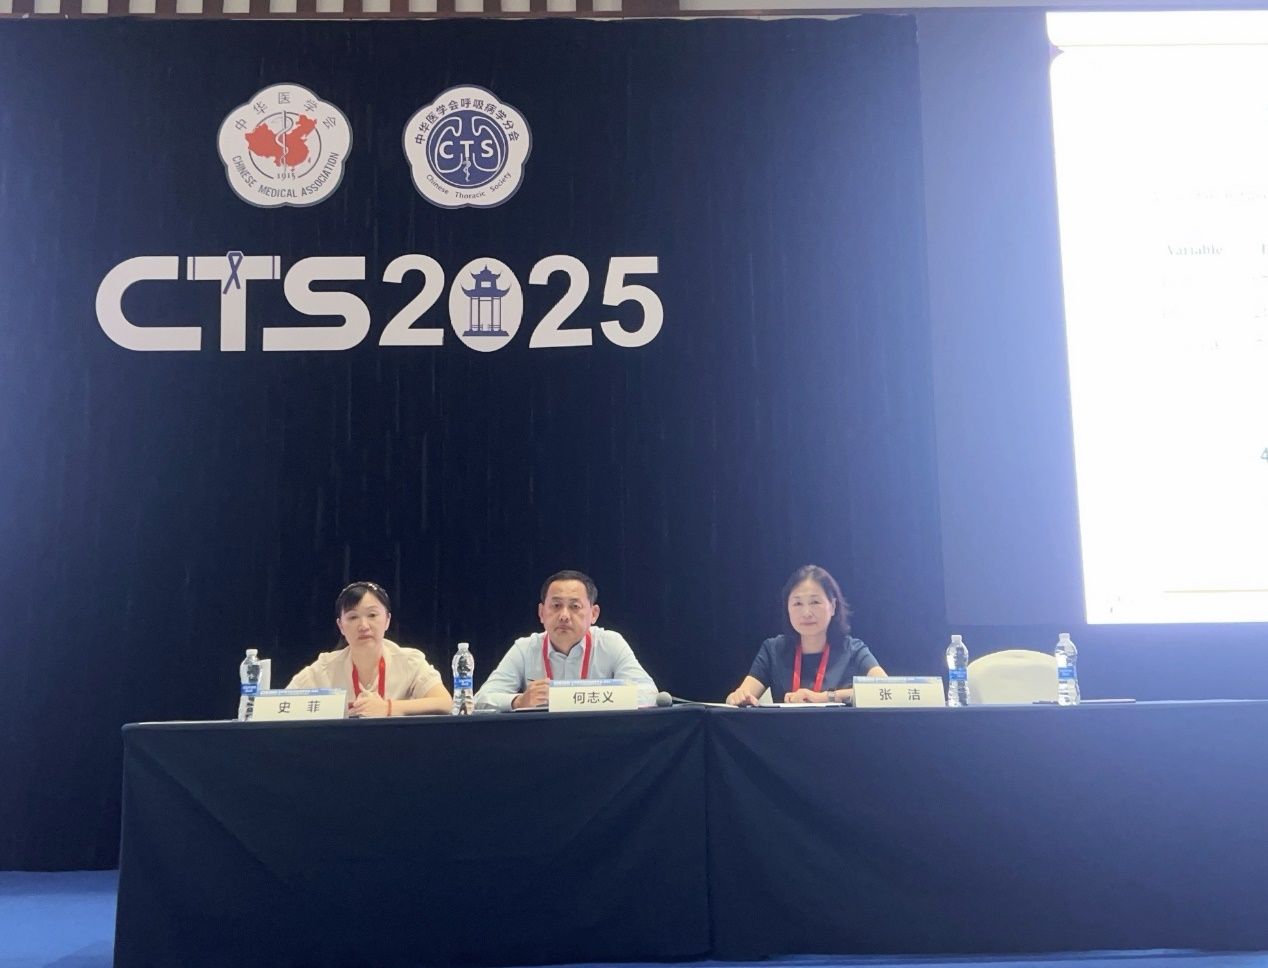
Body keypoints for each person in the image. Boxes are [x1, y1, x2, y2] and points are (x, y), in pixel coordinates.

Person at [475, 570, 656, 710]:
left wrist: (592, 696)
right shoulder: (525, 648)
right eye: (556, 605)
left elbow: (648, 693)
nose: (564, 616)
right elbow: (481, 699)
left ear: (594, 614)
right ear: (541, 613)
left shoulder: (610, 644)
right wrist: (518, 701)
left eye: (575, 606)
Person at [726, 564, 887, 706]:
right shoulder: (773, 650)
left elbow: (886, 691)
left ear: (833, 606)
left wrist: (825, 697)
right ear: (787, 608)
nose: (806, 613)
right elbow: (744, 693)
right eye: (797, 603)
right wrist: (737, 697)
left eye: (815, 602)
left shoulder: (853, 650)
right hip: (784, 731)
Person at [288, 581, 451, 717]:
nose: (363, 626)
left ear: (387, 620)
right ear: (341, 626)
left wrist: (388, 708)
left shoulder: (409, 661)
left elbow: (445, 703)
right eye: (353, 617)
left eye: (372, 615)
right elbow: (282, 706)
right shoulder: (324, 669)